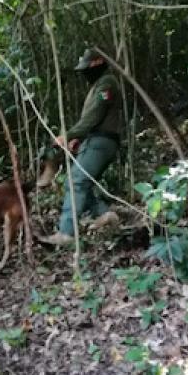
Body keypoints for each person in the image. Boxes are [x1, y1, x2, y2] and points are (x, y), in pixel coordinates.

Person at [38, 48, 122, 245]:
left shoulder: (107, 83)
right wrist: (79, 139)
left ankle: (66, 234)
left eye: (87, 67)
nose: (84, 72)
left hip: (102, 142)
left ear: (98, 62)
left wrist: (68, 136)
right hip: (94, 140)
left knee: (76, 180)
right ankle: (105, 214)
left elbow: (93, 117)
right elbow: (93, 121)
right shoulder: (97, 86)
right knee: (74, 181)